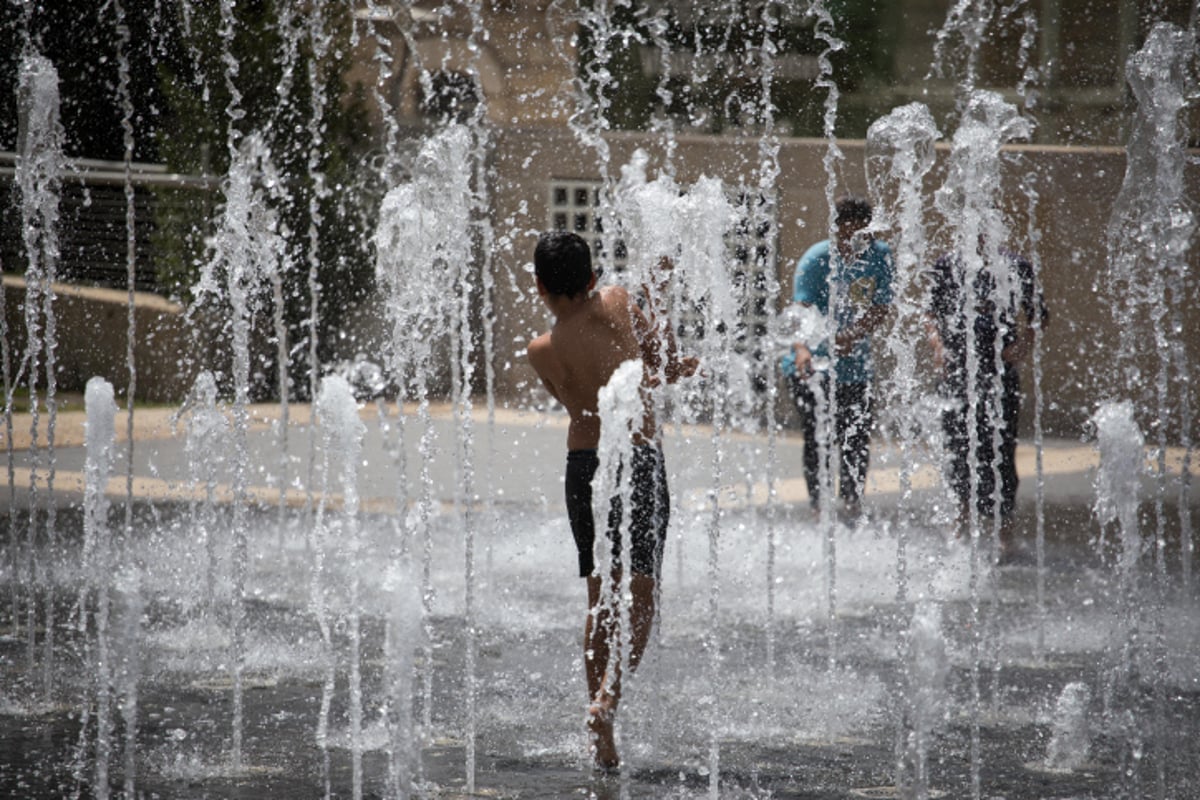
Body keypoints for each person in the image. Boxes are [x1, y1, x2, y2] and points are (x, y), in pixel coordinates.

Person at [526, 231, 698, 770]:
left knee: (599, 597)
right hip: (638, 459)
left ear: (540, 287)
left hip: (584, 467)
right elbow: (661, 364)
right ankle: (609, 697)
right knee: (640, 592)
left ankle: (597, 722)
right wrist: (661, 305)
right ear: (593, 278)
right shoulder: (620, 301)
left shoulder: (541, 350)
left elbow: (580, 404)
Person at [925, 236, 1048, 558]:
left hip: (999, 374)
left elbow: (1039, 314)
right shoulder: (946, 264)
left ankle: (1004, 530)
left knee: (1001, 450)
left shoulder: (1015, 266)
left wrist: (1023, 345)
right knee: (957, 447)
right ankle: (960, 522)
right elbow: (930, 313)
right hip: (956, 374)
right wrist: (938, 346)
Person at [781, 196, 894, 518]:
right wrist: (802, 348)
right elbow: (798, 311)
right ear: (837, 229)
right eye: (849, 233)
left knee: (855, 439)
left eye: (863, 233)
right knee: (818, 438)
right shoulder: (817, 259)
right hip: (811, 367)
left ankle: (852, 503)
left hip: (856, 369)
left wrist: (853, 335)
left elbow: (880, 307)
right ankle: (819, 507)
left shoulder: (880, 256)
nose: (856, 240)